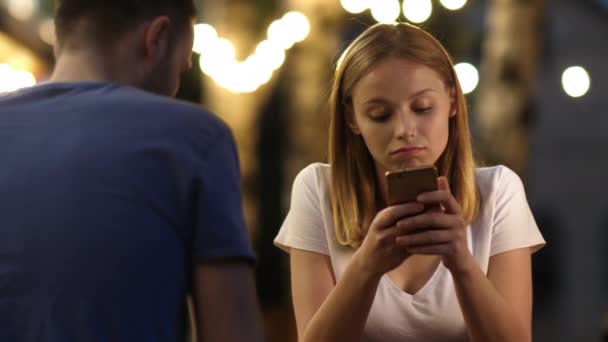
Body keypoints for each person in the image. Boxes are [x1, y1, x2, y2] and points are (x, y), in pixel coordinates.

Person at [0, 0, 264, 341]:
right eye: (181, 69)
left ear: (60, 37)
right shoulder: (195, 138)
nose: (176, 84)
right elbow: (231, 332)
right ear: (156, 38)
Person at [275, 22, 545, 342]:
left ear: (453, 102)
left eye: (422, 108)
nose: (405, 128)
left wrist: (462, 265)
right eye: (380, 114)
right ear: (352, 119)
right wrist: (366, 267)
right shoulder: (319, 190)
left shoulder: (498, 191)